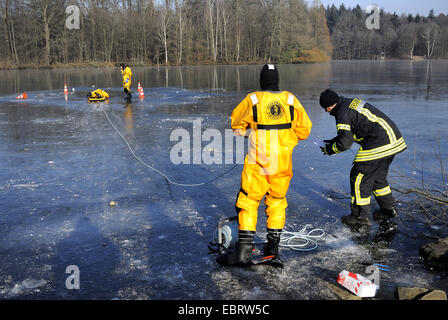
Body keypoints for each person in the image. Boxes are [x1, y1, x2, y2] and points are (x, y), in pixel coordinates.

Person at [217, 64, 312, 266]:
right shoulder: (290, 100)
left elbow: (236, 125)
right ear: (277, 80)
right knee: (277, 202)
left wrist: (251, 133)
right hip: (282, 163)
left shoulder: (253, 100)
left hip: (258, 162)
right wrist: (284, 139)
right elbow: (304, 131)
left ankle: (243, 253)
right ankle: (273, 250)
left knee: (249, 201)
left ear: (261, 81)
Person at [319, 89, 407, 227]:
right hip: (391, 140)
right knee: (377, 178)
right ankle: (388, 210)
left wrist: (329, 149)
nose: (326, 111)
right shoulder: (347, 104)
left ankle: (360, 217)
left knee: (359, 176)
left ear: (331, 104)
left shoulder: (342, 113)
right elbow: (352, 131)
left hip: (379, 143)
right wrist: (334, 140)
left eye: (326, 107)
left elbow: (345, 143)